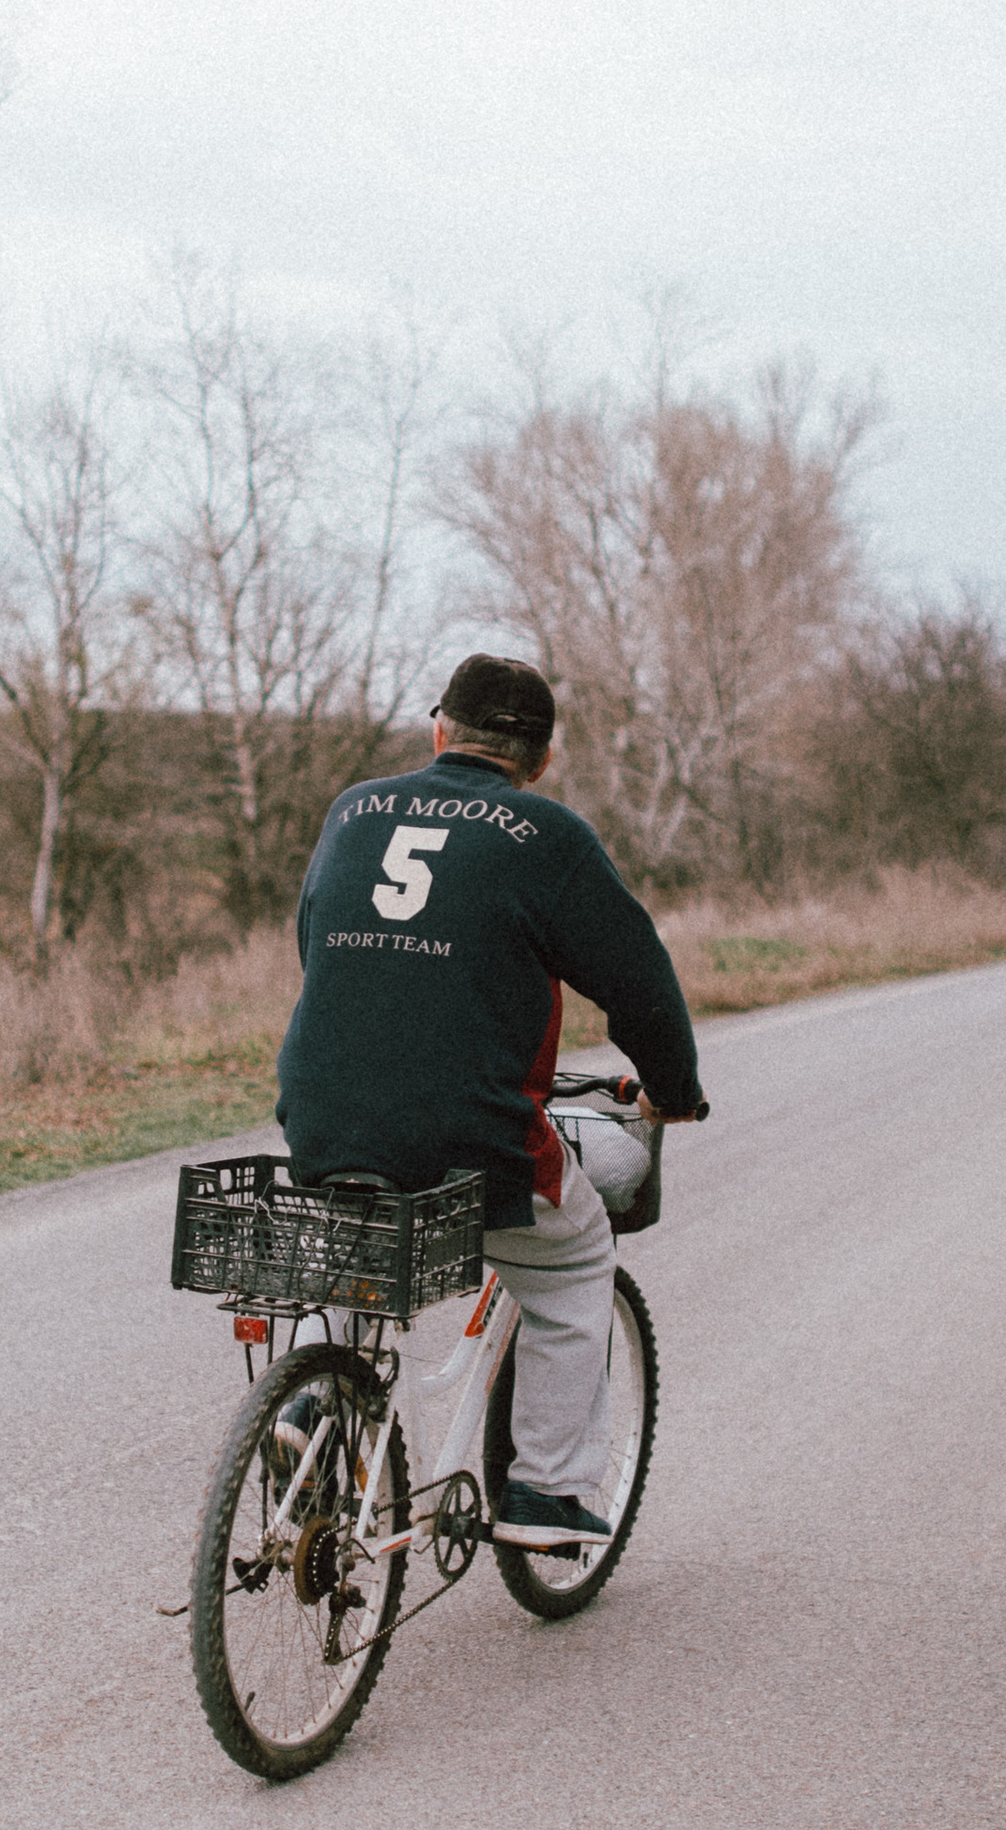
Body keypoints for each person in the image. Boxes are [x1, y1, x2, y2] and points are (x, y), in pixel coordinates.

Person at [277, 652, 707, 1547]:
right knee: (576, 1259)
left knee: (363, 1224)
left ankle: (318, 1404)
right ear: (540, 760)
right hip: (475, 1138)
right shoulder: (545, 835)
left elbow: (315, 938)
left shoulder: (352, 809)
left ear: (438, 729)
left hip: (324, 1112)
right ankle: (547, 1491)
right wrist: (672, 1090)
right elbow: (640, 982)